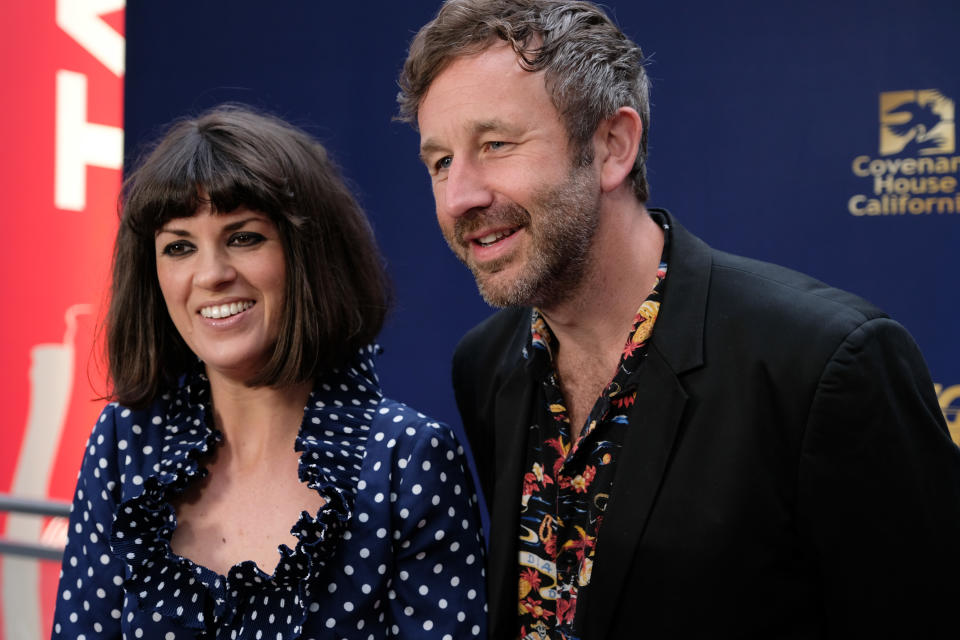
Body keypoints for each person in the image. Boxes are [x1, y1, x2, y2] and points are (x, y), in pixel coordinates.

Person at [397, 1, 960, 638]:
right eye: (440, 162)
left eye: (495, 145)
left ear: (613, 146)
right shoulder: (485, 365)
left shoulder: (825, 365)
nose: (459, 196)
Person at [52, 105, 487, 639]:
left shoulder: (408, 461)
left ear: (307, 256)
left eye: (244, 237)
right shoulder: (125, 443)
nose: (211, 274)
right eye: (179, 247)